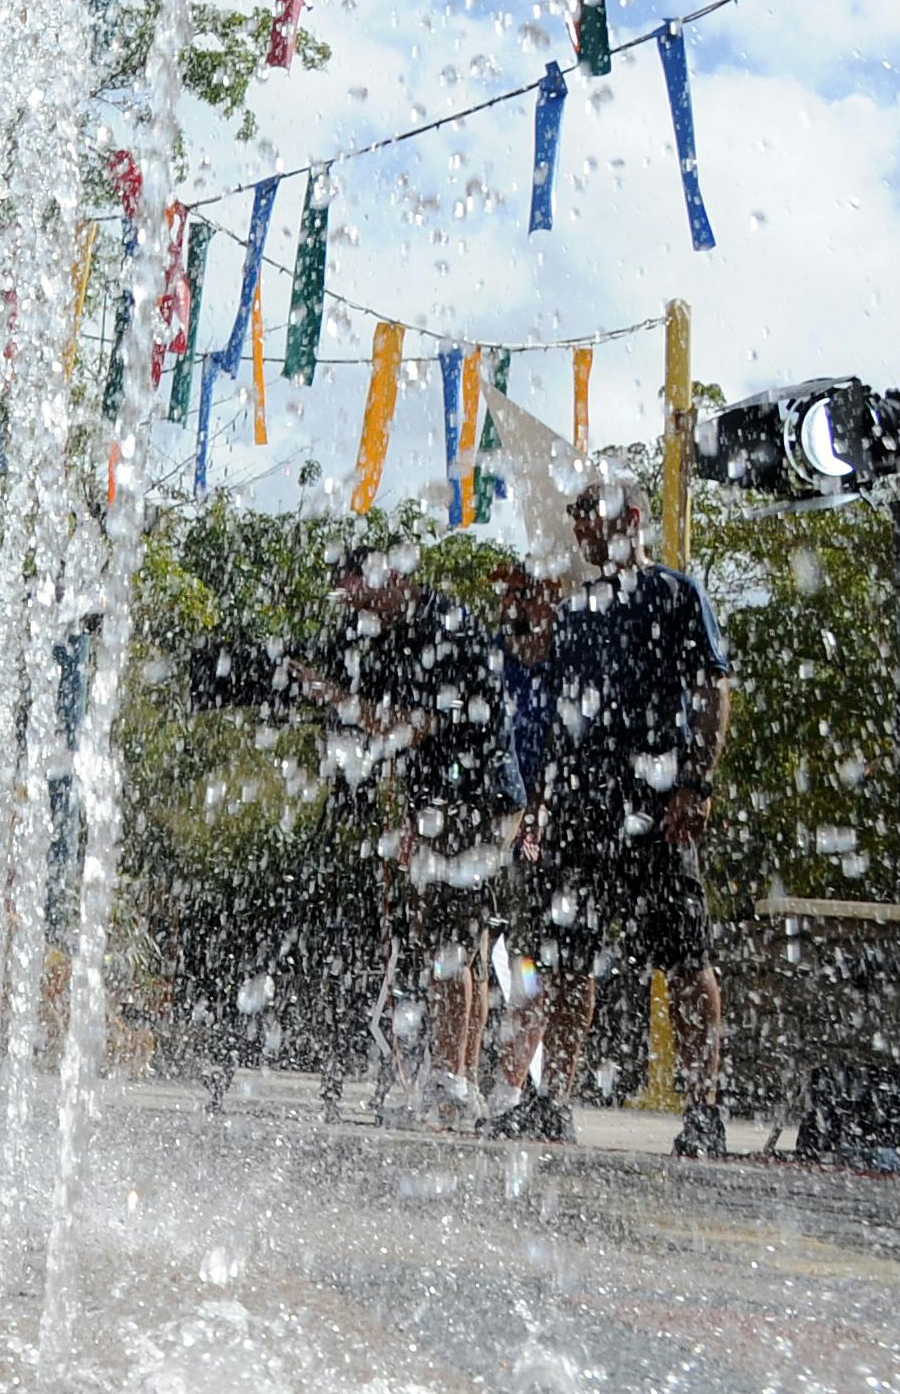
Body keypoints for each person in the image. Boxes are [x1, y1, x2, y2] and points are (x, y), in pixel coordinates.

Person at [489, 465, 732, 1155]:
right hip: (578, 806)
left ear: (629, 519)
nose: (578, 531)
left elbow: (713, 690)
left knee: (685, 959)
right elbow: (556, 710)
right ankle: (554, 1101)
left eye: (587, 517)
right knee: (568, 962)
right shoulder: (577, 607)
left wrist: (697, 784)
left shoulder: (676, 595)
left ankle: (704, 1109)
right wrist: (538, 803)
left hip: (656, 803)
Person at [305, 541, 514, 1129]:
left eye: (359, 591)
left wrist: (333, 696)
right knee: (460, 949)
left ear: (389, 575)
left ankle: (451, 1087)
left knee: (452, 949)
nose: (354, 606)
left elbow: (416, 724)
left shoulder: (444, 622)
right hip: (446, 801)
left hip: (472, 799)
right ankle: (460, 1084)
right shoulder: (395, 636)